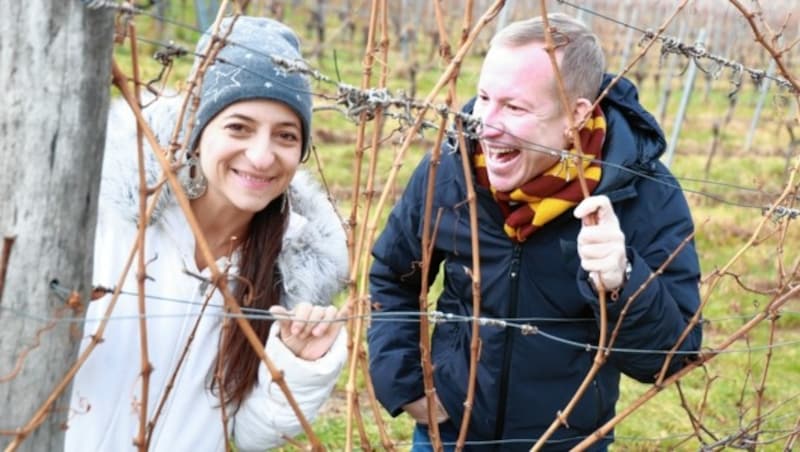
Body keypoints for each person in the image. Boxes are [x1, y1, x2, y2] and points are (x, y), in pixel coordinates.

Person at [367, 13, 702, 451]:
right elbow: (394, 277)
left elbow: (671, 358)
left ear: (575, 115)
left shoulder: (642, 194)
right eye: (484, 97)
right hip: (448, 435)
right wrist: (408, 386)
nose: (485, 124)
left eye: (515, 107)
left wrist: (622, 283)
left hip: (570, 443)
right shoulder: (451, 170)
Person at [65, 16, 349, 451]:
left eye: (286, 136)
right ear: (198, 130)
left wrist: (298, 368)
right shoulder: (105, 220)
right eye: (239, 127)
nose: (260, 155)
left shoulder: (289, 271)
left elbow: (249, 436)